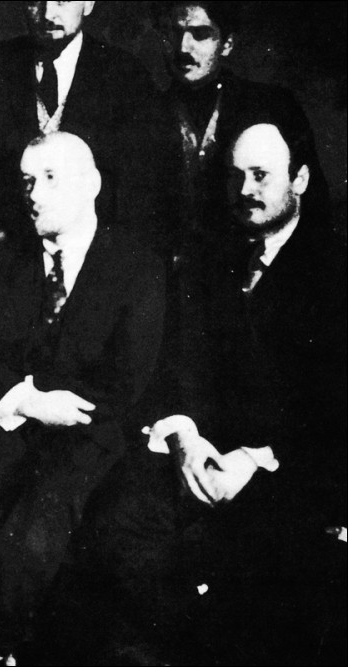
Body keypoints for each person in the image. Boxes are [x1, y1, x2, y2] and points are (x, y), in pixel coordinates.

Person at [42, 118, 347, 666]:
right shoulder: (210, 259)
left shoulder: (333, 272)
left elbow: (332, 416)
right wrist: (184, 435)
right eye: (235, 176)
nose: (245, 190)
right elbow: (178, 365)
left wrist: (255, 462)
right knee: (113, 525)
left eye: (261, 175)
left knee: (252, 581)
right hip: (196, 457)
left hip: (288, 473)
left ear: (299, 180)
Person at [0, 131, 166, 664]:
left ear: (91, 183)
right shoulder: (5, 262)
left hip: (91, 431)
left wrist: (60, 404)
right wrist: (28, 400)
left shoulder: (136, 266)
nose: (34, 193)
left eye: (50, 178)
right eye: (27, 181)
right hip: (19, 417)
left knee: (30, 534)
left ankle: (2, 650)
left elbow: (129, 379)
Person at [0, 1, 175, 249]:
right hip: (13, 251)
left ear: (88, 4)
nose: (48, 13)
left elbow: (139, 187)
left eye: (62, 0)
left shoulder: (126, 74)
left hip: (96, 254)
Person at [155, 0, 328, 260]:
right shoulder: (144, 112)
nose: (183, 47)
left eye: (200, 35)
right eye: (173, 33)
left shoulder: (272, 105)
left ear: (227, 44)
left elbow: (314, 207)